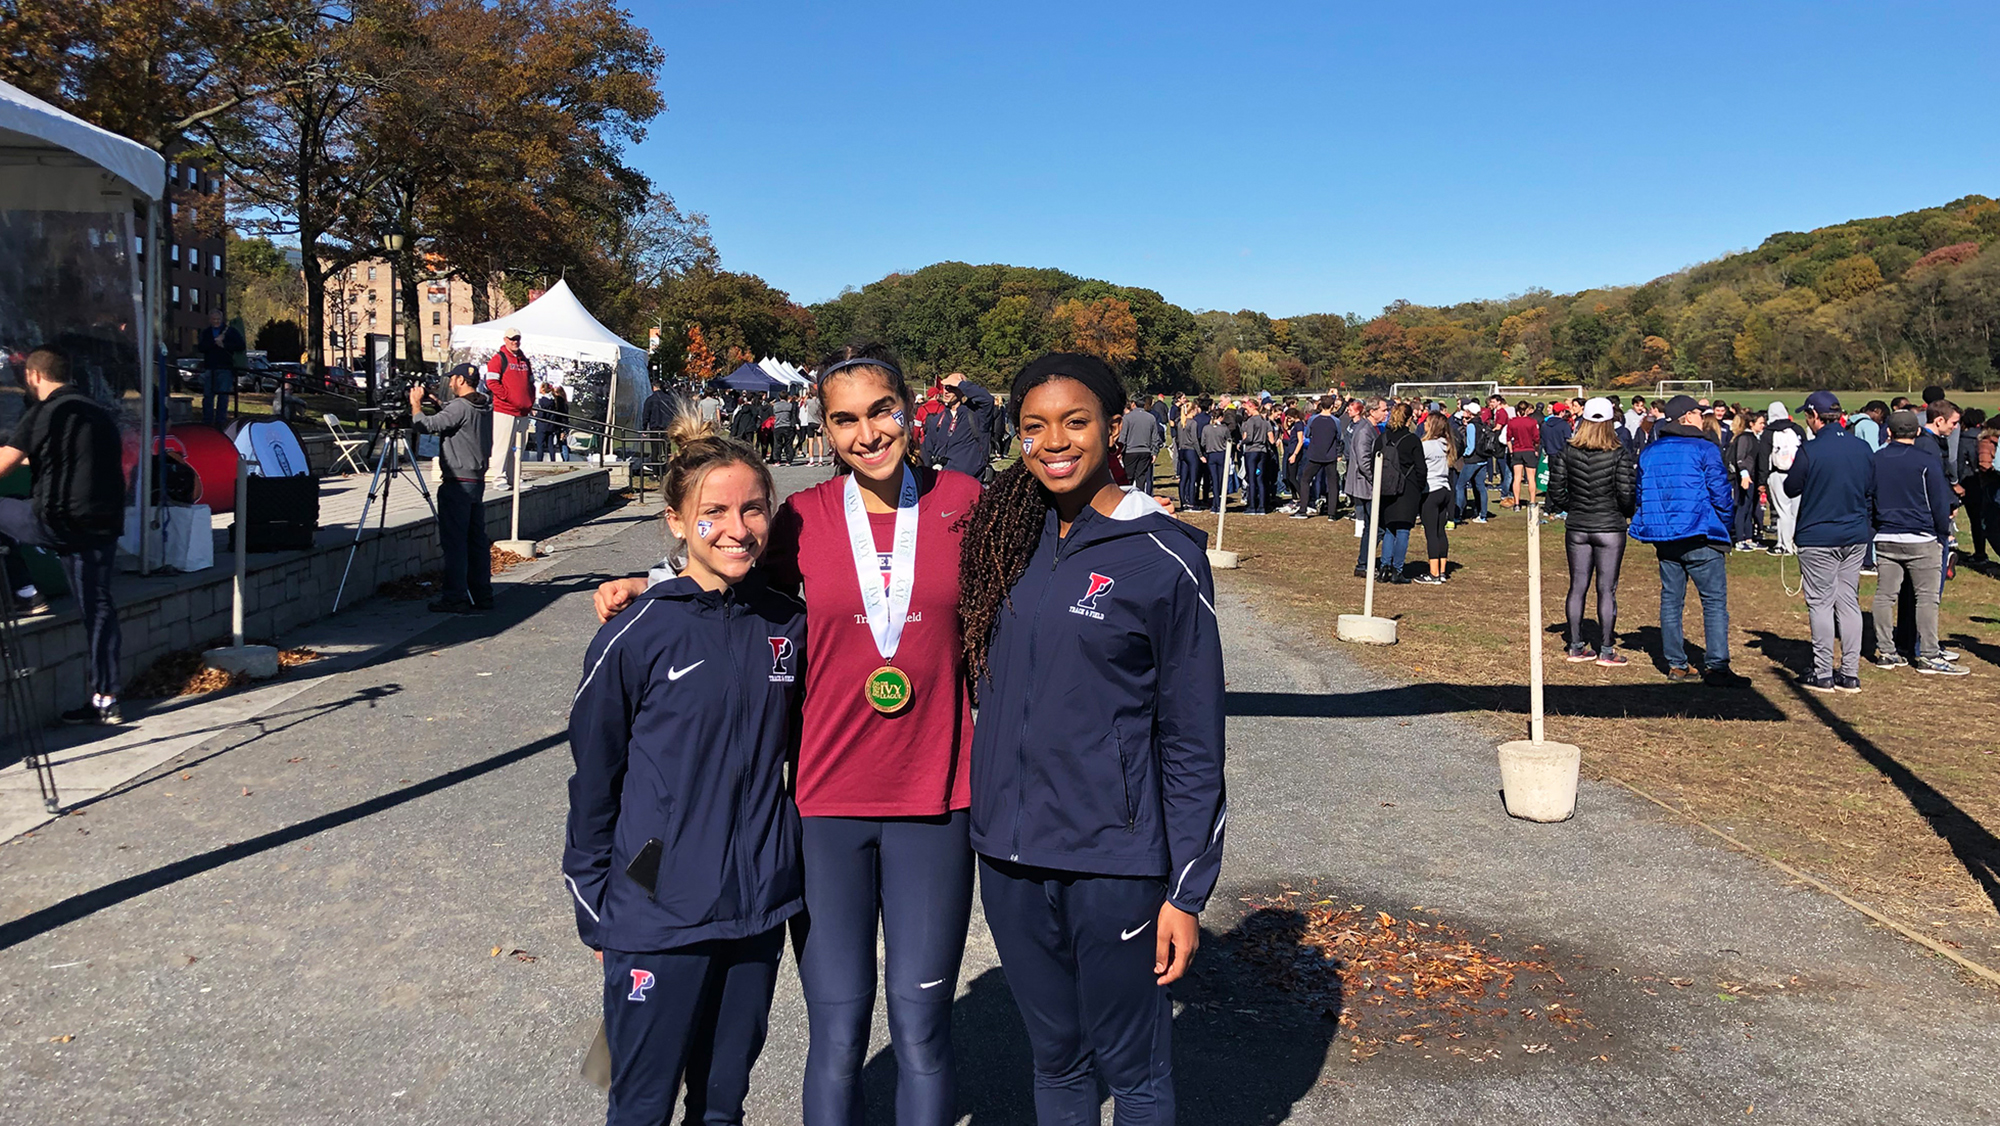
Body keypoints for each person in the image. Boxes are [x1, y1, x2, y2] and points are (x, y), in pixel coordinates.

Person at [596, 345, 982, 1124]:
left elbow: (1043, 570)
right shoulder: (804, 517)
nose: (867, 432)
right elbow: (723, 563)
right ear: (826, 429)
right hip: (827, 806)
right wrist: (653, 584)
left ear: (912, 408)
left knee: (921, 1027)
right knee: (837, 1033)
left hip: (937, 800)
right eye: (845, 419)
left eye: (881, 410)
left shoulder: (969, 500)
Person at [956, 352, 1224, 1125]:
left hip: (1113, 858)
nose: (1055, 441)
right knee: (1057, 1059)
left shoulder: (1166, 556)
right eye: (1034, 426)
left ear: (1114, 425)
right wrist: (665, 580)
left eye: (1076, 422)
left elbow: (1193, 736)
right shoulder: (1002, 533)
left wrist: (1185, 890)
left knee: (1132, 1068)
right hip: (1006, 854)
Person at [565, 414, 804, 1126]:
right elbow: (593, 778)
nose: (737, 528)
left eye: (753, 508)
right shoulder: (635, 632)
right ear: (676, 522)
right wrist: (598, 902)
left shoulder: (789, 624)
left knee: (724, 1102)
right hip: (654, 907)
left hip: (756, 905)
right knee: (640, 1103)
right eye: (714, 513)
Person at [0, 345, 127, 724]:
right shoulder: (98, 413)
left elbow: (5, 463)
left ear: (33, 376)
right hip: (102, 524)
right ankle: (106, 699)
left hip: (56, 520)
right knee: (98, 607)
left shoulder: (44, 412)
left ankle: (24, 591)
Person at [1629, 395, 1745, 686]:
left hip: (1666, 536)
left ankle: (1677, 664)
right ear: (1686, 417)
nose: (1702, 418)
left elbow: (1642, 493)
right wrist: (1727, 526)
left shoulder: (1650, 452)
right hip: (1699, 533)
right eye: (1697, 413)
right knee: (1714, 602)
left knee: (1671, 600)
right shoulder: (1705, 448)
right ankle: (1717, 666)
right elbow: (1721, 494)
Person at [1781, 391, 1871, 693]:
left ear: (1814, 417)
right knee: (1848, 601)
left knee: (1820, 603)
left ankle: (1822, 672)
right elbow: (1871, 487)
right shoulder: (1862, 448)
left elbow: (1791, 487)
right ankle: (1850, 672)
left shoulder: (1810, 450)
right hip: (1855, 534)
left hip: (1818, 535)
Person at [1871, 410, 1965, 675]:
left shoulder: (1876, 459)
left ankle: (1887, 651)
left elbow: (1870, 497)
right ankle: (1929, 655)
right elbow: (1938, 501)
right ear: (1918, 431)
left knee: (1884, 595)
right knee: (1926, 598)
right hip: (1921, 537)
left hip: (1887, 536)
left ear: (1889, 432)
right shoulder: (1925, 461)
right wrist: (1942, 531)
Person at [1547, 397, 1636, 665]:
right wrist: (1623, 512)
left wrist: (1570, 506)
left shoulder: (1568, 450)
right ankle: (1606, 650)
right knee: (1606, 589)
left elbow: (1555, 488)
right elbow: (1626, 493)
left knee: (1577, 586)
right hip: (1609, 526)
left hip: (1578, 526)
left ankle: (1575, 646)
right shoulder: (1619, 452)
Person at [405, 364, 494, 614]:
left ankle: (455, 597)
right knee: (476, 541)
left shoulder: (459, 407)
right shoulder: (484, 404)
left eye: (452, 379)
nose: (450, 383)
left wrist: (416, 405)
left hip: (457, 482)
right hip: (476, 480)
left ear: (460, 380)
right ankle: (482, 594)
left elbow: (425, 425)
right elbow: (458, 418)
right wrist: (439, 403)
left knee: (455, 543)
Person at [1376, 403, 1422, 585]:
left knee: (1389, 528)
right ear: (1409, 419)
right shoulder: (1412, 440)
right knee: (1403, 529)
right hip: (1407, 488)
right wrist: (1419, 486)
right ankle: (1398, 570)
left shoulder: (1383, 438)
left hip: (1386, 487)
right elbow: (1421, 468)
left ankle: (1384, 567)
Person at [483, 329, 533, 490]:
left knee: (519, 448)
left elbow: (531, 383)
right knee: (502, 446)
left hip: (523, 412)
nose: (515, 341)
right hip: (504, 410)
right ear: (505, 339)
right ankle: (498, 478)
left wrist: (530, 401)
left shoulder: (524, 360)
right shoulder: (498, 359)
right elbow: (491, 383)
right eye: (512, 339)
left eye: (517, 338)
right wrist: (507, 397)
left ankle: (515, 477)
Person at [1414, 411, 1459, 585]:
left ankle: (1433, 573)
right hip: (1445, 490)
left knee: (1431, 533)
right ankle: (1441, 571)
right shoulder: (1446, 443)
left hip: (1431, 490)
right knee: (1440, 532)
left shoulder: (1426, 445)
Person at [921, 378, 992, 480]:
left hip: (969, 482)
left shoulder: (976, 416)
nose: (946, 391)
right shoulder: (937, 420)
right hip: (942, 481)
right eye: (945, 387)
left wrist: (963, 384)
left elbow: (987, 400)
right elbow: (927, 450)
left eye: (951, 387)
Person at [1346, 398, 1386, 576]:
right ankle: (1363, 564)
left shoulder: (1370, 428)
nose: (1386, 413)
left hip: (1367, 483)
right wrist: (1376, 479)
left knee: (1372, 526)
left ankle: (1365, 562)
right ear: (1372, 411)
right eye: (1383, 410)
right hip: (1365, 484)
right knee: (1376, 527)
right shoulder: (1364, 431)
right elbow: (1364, 461)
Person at [1760, 402, 1805, 556]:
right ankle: (1792, 542)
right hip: (1798, 473)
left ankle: (1785, 545)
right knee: (1795, 511)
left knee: (1782, 510)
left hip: (1777, 473)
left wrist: (1762, 479)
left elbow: (1764, 458)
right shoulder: (1796, 429)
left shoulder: (1768, 432)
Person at [195, 309, 244, 428]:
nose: (216, 321)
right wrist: (213, 343)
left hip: (225, 367)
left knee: (223, 396)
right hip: (210, 367)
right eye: (214, 319)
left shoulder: (230, 332)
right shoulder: (206, 333)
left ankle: (220, 422)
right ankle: (207, 421)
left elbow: (241, 345)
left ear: (222, 319)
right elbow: (201, 347)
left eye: (218, 319)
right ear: (210, 320)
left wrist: (224, 345)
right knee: (208, 396)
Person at [1727, 409, 1765, 550]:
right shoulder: (1744, 438)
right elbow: (1740, 458)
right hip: (1745, 478)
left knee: (1749, 508)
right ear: (1751, 423)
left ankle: (1748, 538)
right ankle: (1739, 539)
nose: (1763, 426)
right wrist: (1744, 474)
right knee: (1742, 507)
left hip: (1752, 477)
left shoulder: (1754, 438)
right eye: (1760, 423)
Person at [1452, 402, 1491, 524]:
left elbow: (1470, 446)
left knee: (1460, 486)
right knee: (1481, 487)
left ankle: (1457, 515)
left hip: (1472, 460)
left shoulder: (1471, 426)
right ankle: (1483, 515)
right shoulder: (1483, 424)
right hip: (1483, 459)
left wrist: (1463, 455)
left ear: (1469, 413)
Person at [1118, 394, 1163, 496]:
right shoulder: (1151, 418)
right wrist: (1154, 452)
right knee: (1141, 478)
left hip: (1130, 451)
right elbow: (1155, 437)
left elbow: (1123, 437)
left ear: (1133, 404)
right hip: (1145, 451)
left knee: (1128, 477)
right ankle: (1140, 498)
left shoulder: (1127, 418)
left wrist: (1120, 451)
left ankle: (1127, 498)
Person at [1238, 398, 1274, 514]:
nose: (1246, 411)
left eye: (1247, 408)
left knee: (1251, 479)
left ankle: (1252, 506)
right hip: (1263, 451)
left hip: (1252, 451)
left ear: (1253, 407)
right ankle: (1262, 507)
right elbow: (1271, 439)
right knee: (1261, 479)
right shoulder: (1265, 422)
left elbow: (1249, 438)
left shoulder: (1250, 422)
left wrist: (1240, 443)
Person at [1504, 402, 1540, 510]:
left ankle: (1516, 503)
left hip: (1517, 451)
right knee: (1531, 478)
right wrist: (1536, 449)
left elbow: (1508, 438)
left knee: (1517, 477)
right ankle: (1532, 501)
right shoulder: (1532, 422)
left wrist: (1511, 451)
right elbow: (1536, 439)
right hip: (1529, 450)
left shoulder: (1512, 422)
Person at [1199, 397, 1231, 513]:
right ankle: (1221, 504)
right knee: (1222, 480)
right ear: (1221, 417)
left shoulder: (1206, 429)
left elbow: (1202, 442)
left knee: (1214, 479)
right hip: (1222, 454)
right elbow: (1229, 441)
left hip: (1211, 455)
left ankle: (1215, 505)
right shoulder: (1224, 429)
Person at [770, 391, 798, 465]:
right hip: (787, 425)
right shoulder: (790, 405)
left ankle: (777, 460)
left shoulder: (775, 406)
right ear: (787, 397)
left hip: (778, 426)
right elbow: (793, 416)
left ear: (779, 397)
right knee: (788, 444)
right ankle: (788, 460)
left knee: (777, 444)